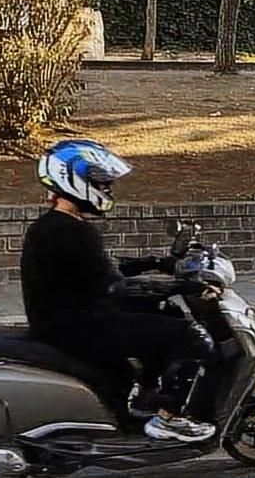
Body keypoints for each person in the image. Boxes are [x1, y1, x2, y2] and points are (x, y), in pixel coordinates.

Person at [20, 139, 218, 444]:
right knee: (191, 336)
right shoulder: (74, 231)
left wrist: (157, 263)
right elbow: (121, 287)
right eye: (101, 183)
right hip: (80, 326)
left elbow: (103, 272)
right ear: (75, 182)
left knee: (160, 313)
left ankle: (143, 396)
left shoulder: (53, 226)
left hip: (64, 322)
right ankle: (169, 418)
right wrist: (186, 285)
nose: (107, 190)